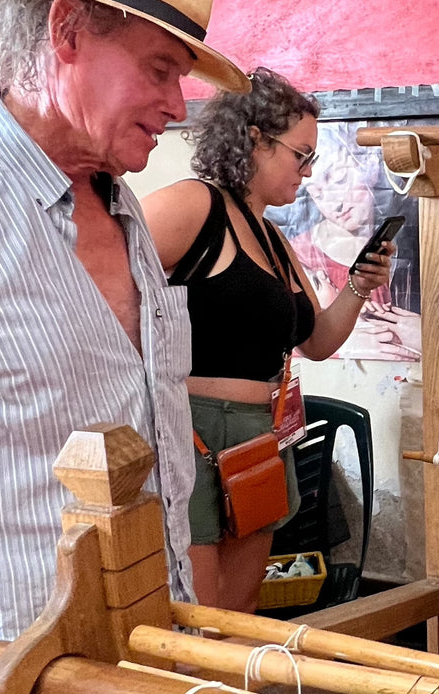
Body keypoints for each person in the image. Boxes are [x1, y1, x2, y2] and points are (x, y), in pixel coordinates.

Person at [0, 0, 249, 651]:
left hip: (152, 649)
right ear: (65, 33)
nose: (177, 106)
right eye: (160, 70)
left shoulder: (122, 204)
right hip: (15, 678)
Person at [141, 67, 396, 612]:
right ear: (254, 140)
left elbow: (319, 340)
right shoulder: (194, 206)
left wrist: (357, 284)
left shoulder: (272, 237)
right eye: (300, 154)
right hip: (194, 430)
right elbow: (106, 292)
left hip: (261, 436)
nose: (307, 171)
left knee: (242, 614)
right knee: (200, 619)